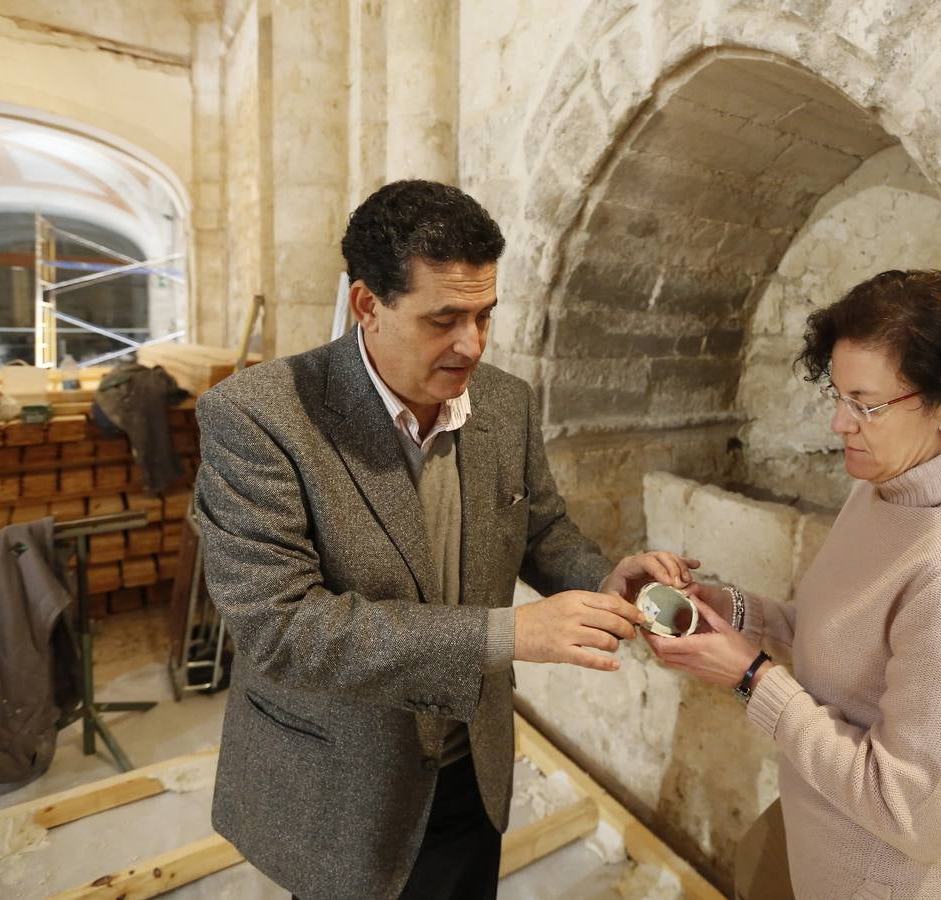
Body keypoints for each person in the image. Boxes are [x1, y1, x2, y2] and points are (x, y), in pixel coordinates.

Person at [194, 180, 696, 900]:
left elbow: (537, 527)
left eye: (485, 315)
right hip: (341, 773)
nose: (473, 344)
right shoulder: (259, 418)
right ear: (367, 305)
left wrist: (601, 579)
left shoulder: (503, 401)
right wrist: (506, 634)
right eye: (445, 319)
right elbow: (281, 627)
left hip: (471, 758)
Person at [646, 270, 941, 900]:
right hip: (817, 839)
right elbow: (835, 635)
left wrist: (750, 677)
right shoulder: (883, 488)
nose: (840, 424)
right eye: (837, 396)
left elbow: (913, 814)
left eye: (866, 404)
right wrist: (730, 609)